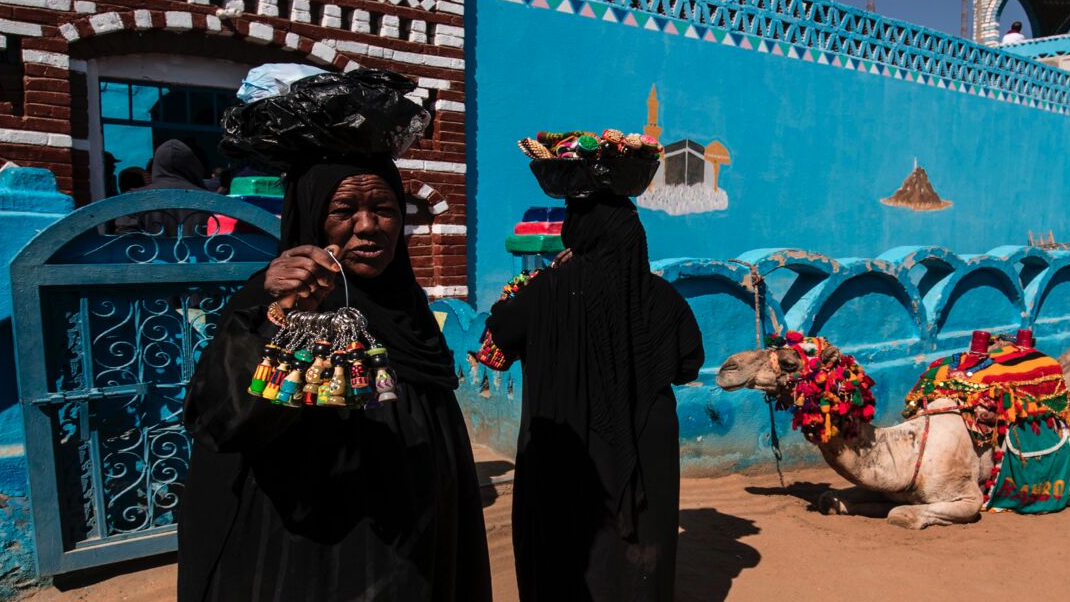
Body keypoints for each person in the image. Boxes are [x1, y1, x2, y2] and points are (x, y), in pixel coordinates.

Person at [178, 157, 492, 601]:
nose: (368, 226)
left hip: (415, 541)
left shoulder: (408, 307)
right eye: (344, 211)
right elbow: (220, 420)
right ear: (312, 218)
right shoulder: (268, 298)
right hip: (313, 545)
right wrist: (282, 312)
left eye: (384, 209)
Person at [484, 193, 704, 601]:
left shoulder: (547, 290)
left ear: (578, 232)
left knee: (569, 540)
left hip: (567, 440)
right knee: (641, 534)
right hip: (645, 442)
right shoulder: (663, 297)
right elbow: (688, 364)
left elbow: (498, 336)